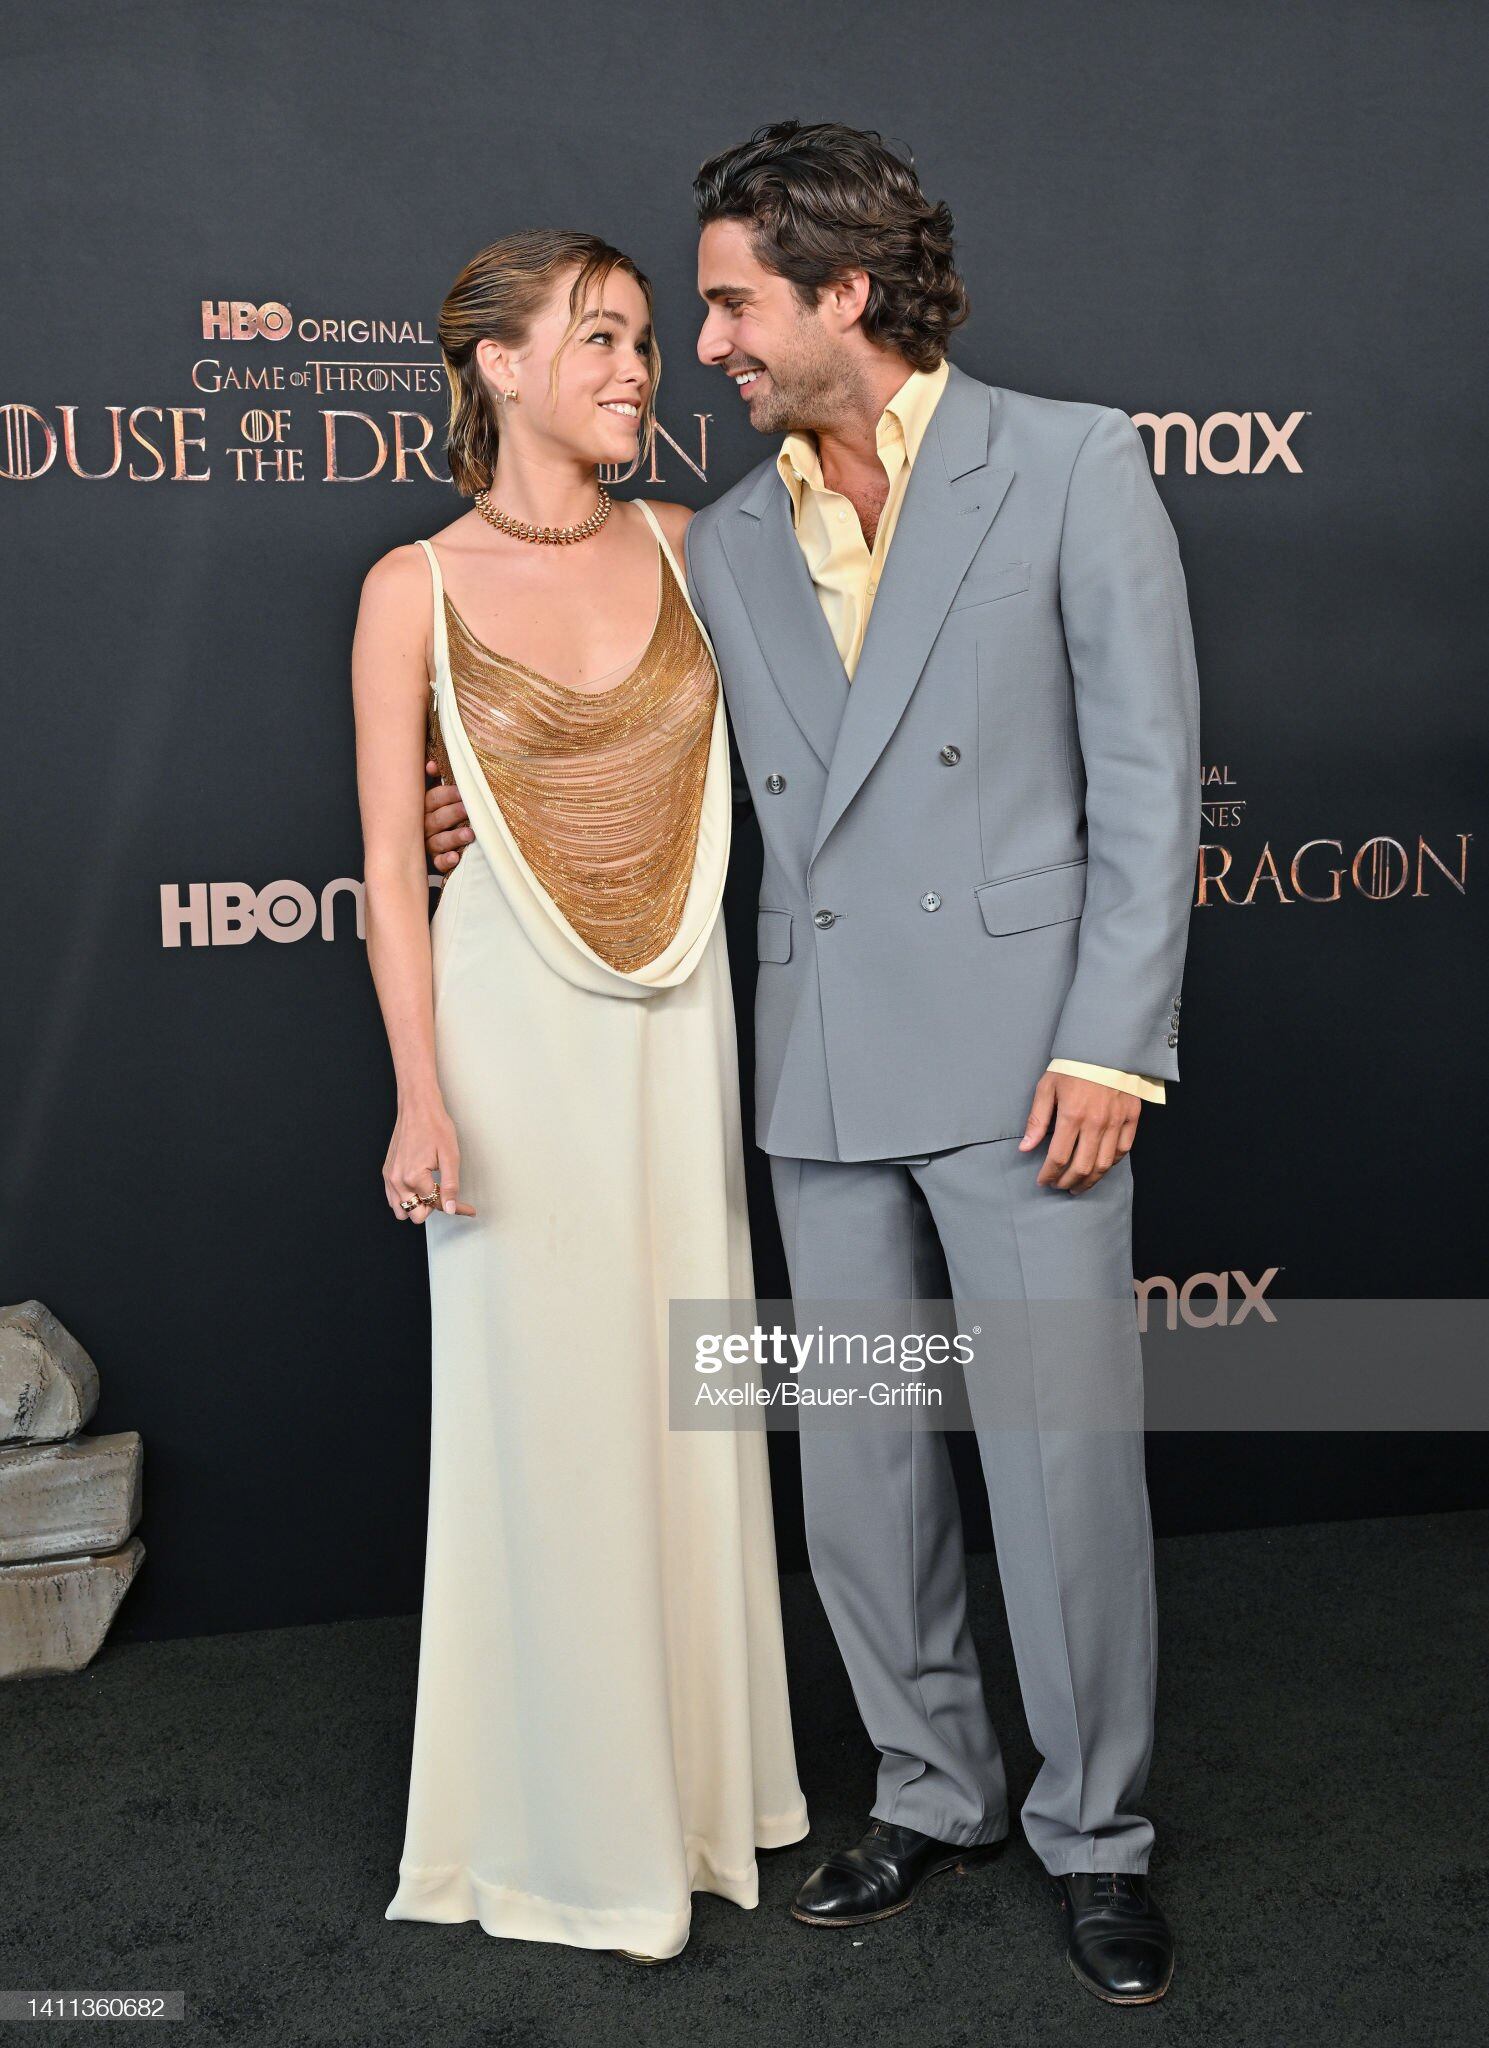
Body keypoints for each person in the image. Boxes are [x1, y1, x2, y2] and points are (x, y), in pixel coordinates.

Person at [427, 126, 1200, 2006]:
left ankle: (1091, 1831)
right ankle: (928, 1787)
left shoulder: (1070, 462)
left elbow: (1146, 780)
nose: (704, 347)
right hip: (829, 1065)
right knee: (860, 1469)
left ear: (845, 295)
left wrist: (1115, 1039)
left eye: (732, 305)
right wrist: (497, 809)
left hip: (1035, 1070)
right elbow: (616, 704)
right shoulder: (728, 537)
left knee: (1056, 1468)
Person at [353, 228, 808, 1964]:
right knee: (541, 1426)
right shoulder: (415, 586)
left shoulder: (698, 547)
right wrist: (417, 1096)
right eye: (603, 337)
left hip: (674, 1022)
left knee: (683, 1404)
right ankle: (555, 1837)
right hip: (504, 1041)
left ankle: (699, 1803)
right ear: (500, 363)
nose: (644, 367)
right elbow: (396, 870)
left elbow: (822, 741)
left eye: (645, 339)